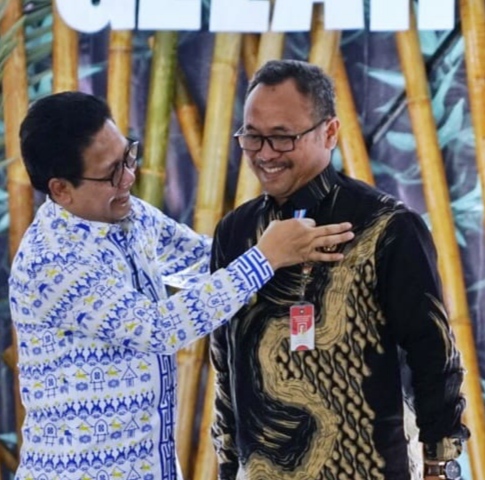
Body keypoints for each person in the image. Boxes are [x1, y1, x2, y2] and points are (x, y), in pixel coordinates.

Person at [8, 91, 355, 480]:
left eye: (128, 156)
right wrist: (264, 257)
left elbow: (204, 262)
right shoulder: (52, 261)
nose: (129, 177)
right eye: (111, 173)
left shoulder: (130, 215)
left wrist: (295, 249)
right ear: (60, 189)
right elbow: (159, 329)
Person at [209, 59, 470, 480]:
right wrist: (226, 463)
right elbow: (226, 362)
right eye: (252, 137)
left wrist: (439, 462)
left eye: (282, 138)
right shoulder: (235, 232)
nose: (265, 153)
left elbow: (433, 352)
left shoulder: (386, 226)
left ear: (329, 132)